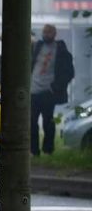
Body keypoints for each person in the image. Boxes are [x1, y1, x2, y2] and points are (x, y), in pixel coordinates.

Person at [31, 24, 75, 156]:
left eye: (49, 32)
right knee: (31, 122)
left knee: (48, 122)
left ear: (54, 34)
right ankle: (33, 150)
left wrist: (54, 87)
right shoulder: (37, 47)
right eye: (44, 32)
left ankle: (48, 149)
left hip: (48, 92)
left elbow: (69, 72)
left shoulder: (61, 49)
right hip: (33, 90)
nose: (46, 34)